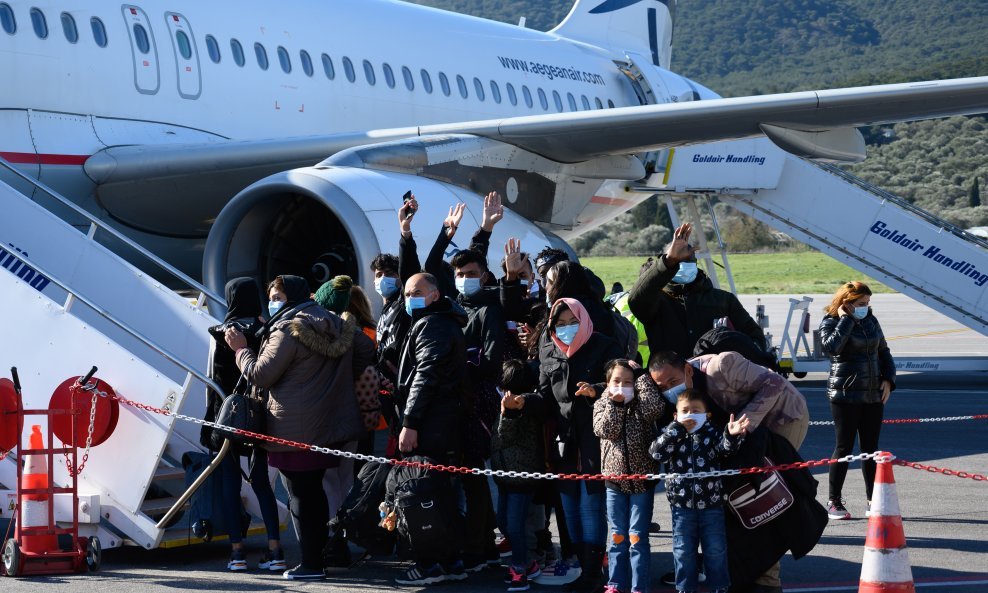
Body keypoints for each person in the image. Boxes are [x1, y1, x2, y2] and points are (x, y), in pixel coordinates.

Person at [225, 275, 374, 580]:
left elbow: (260, 374)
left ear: (290, 297)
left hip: (292, 427)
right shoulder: (336, 322)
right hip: (329, 423)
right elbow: (366, 349)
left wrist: (240, 349)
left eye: (277, 295)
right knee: (316, 491)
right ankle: (321, 557)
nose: (273, 301)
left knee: (301, 494)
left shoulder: (286, 329)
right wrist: (337, 380)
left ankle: (310, 563)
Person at [647, 350, 808, 593]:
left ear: (688, 370)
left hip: (782, 419)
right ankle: (742, 571)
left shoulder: (722, 366)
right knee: (734, 502)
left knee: (762, 497)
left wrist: (742, 425)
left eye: (673, 382)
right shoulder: (683, 405)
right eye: (663, 387)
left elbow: (774, 382)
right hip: (737, 436)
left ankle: (768, 581)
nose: (670, 389)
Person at [539, 298, 623, 593]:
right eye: (559, 324)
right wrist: (520, 403)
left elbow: (621, 382)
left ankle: (592, 573)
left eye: (571, 322)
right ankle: (580, 565)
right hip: (564, 442)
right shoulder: (548, 348)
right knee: (569, 507)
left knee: (590, 506)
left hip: (594, 437)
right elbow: (544, 395)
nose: (565, 329)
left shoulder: (604, 345)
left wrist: (596, 391)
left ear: (584, 320)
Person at [394, 272, 470, 586]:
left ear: (435, 295)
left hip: (433, 425)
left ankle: (430, 565)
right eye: (408, 292)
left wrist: (410, 422)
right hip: (444, 422)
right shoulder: (439, 321)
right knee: (444, 494)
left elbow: (426, 375)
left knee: (426, 494)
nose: (410, 298)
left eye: (417, 292)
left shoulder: (433, 325)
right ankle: (451, 560)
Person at [203, 277, 283, 572]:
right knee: (262, 484)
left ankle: (236, 553)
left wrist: (208, 423)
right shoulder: (267, 331)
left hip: (228, 418)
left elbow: (210, 381)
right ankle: (276, 550)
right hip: (260, 417)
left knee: (229, 485)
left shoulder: (221, 332)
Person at [649, 389, 750, 593]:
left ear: (707, 415)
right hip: (681, 506)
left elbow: (726, 450)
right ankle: (685, 587)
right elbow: (656, 453)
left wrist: (731, 434)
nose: (690, 414)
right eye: (685, 411)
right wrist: (676, 430)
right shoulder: (671, 434)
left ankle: (720, 586)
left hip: (712, 505)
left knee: (715, 549)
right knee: (683, 550)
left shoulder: (712, 433)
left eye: (696, 410)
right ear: (676, 416)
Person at [628, 223, 765, 358]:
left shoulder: (723, 300)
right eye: (679, 261)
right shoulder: (657, 301)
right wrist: (669, 260)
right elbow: (636, 300)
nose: (685, 265)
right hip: (672, 379)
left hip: (713, 378)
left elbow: (755, 337)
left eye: (689, 260)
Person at [818, 281, 896, 520]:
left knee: (870, 449)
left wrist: (889, 379)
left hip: (872, 393)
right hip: (845, 394)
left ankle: (874, 499)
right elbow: (831, 348)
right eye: (861, 304)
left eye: (867, 303)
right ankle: (834, 501)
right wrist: (847, 320)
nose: (866, 307)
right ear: (847, 303)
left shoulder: (871, 320)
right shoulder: (831, 321)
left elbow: (883, 350)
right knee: (844, 446)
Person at [592, 359, 665, 593]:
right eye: (617, 381)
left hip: (642, 482)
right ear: (607, 383)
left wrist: (642, 377)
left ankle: (638, 586)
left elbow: (655, 408)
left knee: (637, 538)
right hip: (614, 483)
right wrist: (616, 405)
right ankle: (615, 583)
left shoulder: (642, 403)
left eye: (628, 382)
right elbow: (605, 430)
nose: (622, 386)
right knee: (617, 537)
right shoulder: (602, 403)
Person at [491, 359, 547, 592]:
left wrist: (508, 413)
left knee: (515, 525)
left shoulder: (524, 406)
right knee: (504, 522)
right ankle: (530, 564)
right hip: (505, 475)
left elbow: (505, 435)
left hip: (522, 477)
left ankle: (520, 569)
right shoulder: (509, 401)